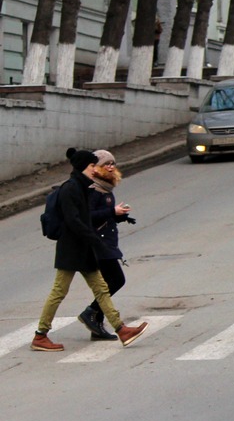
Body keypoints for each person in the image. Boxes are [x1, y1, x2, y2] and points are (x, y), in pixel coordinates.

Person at [30, 148, 148, 351]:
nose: (96, 169)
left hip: (84, 247)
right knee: (59, 292)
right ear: (84, 167)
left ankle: (122, 330)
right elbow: (74, 221)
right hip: (72, 248)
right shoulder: (71, 189)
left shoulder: (84, 187)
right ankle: (40, 335)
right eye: (93, 165)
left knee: (102, 289)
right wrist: (95, 240)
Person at [77, 149, 136, 341]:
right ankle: (91, 312)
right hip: (98, 244)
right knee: (116, 280)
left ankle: (96, 325)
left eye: (113, 163)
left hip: (106, 241)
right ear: (96, 168)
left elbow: (105, 215)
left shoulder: (105, 187)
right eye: (106, 164)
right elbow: (88, 217)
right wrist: (112, 212)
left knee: (105, 284)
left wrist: (120, 217)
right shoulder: (94, 190)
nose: (111, 167)